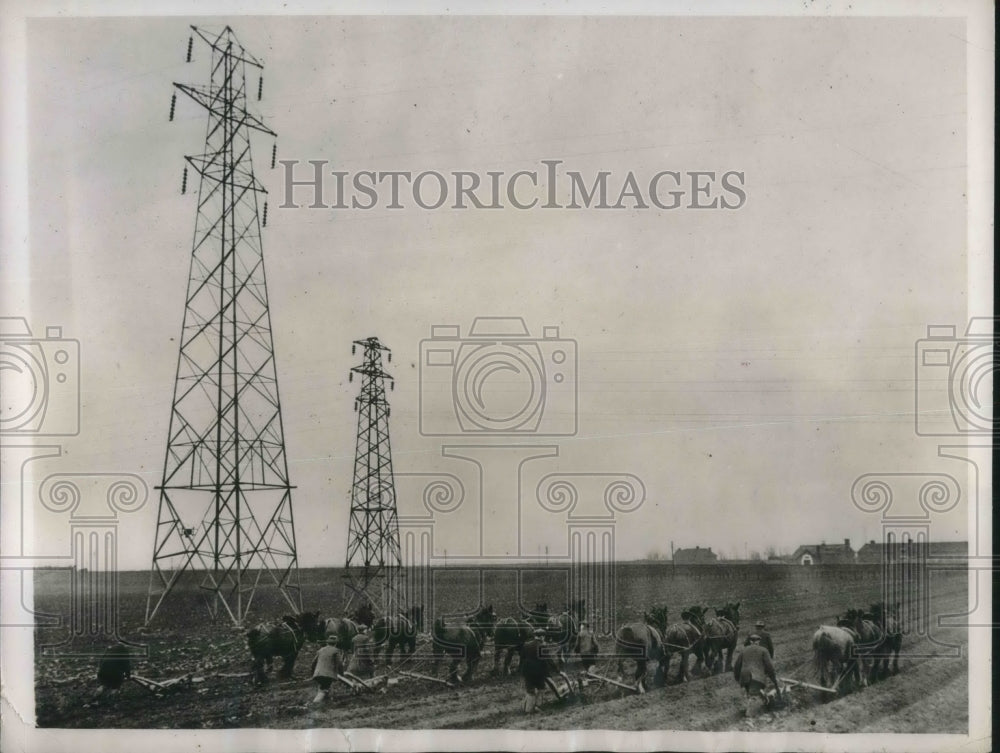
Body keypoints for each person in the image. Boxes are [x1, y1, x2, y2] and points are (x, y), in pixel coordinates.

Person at [733, 634, 781, 716]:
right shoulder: (763, 650)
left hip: (744, 676)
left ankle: (754, 709)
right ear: (758, 641)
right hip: (756, 677)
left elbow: (737, 666)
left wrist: (738, 678)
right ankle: (749, 716)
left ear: (750, 641)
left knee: (751, 694)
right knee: (754, 696)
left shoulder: (744, 650)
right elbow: (770, 666)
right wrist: (773, 679)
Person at [310, 635, 346, 704]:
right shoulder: (336, 651)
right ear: (336, 643)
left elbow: (313, 663)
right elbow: (340, 664)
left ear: (327, 643)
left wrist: (313, 673)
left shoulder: (321, 650)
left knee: (322, 686)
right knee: (324, 688)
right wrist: (342, 674)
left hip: (317, 673)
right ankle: (315, 703)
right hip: (327, 675)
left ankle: (325, 701)